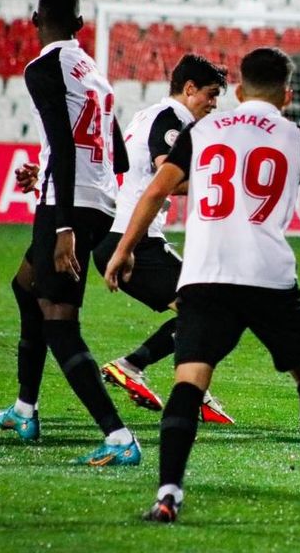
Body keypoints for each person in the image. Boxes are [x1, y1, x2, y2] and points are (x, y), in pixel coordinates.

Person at [104, 47, 300, 523]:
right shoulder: (296, 137)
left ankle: (167, 496)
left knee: (189, 380)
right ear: (288, 95)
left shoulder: (201, 130)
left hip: (205, 275)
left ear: (240, 91)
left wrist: (123, 250)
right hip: (267, 275)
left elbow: (156, 189)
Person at [16, 54, 235, 424]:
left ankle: (198, 394)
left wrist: (43, 175)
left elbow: (111, 164)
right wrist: (221, 180)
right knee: (212, 311)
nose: (214, 104)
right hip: (134, 240)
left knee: (202, 311)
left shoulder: (145, 116)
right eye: (211, 94)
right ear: (189, 88)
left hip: (119, 233)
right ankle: (134, 366)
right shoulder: (172, 120)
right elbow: (167, 177)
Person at [0, 0, 141, 465]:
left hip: (68, 208)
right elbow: (116, 154)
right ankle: (24, 409)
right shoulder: (95, 73)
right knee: (25, 285)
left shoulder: (42, 68)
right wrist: (45, 173)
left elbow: (63, 140)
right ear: (79, 24)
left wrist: (63, 226)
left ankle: (119, 437)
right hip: (99, 199)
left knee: (59, 323)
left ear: (36, 20)